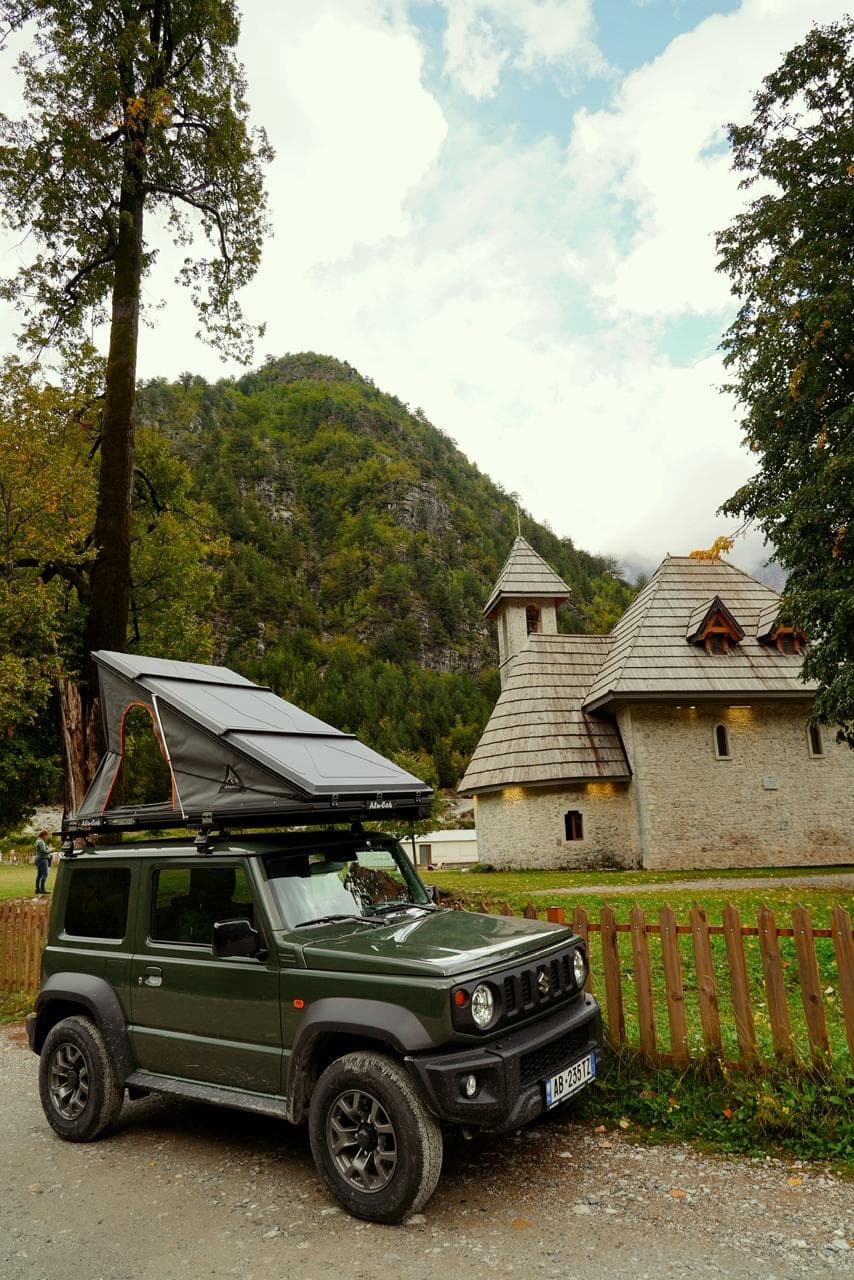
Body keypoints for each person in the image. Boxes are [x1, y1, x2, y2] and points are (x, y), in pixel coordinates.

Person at [34, 830, 52, 895]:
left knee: (39, 875)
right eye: (47, 836)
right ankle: (42, 889)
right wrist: (50, 850)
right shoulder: (41, 842)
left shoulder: (37, 841)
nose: (47, 837)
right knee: (45, 874)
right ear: (44, 835)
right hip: (43, 859)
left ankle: (37, 889)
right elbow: (43, 850)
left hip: (39, 859)